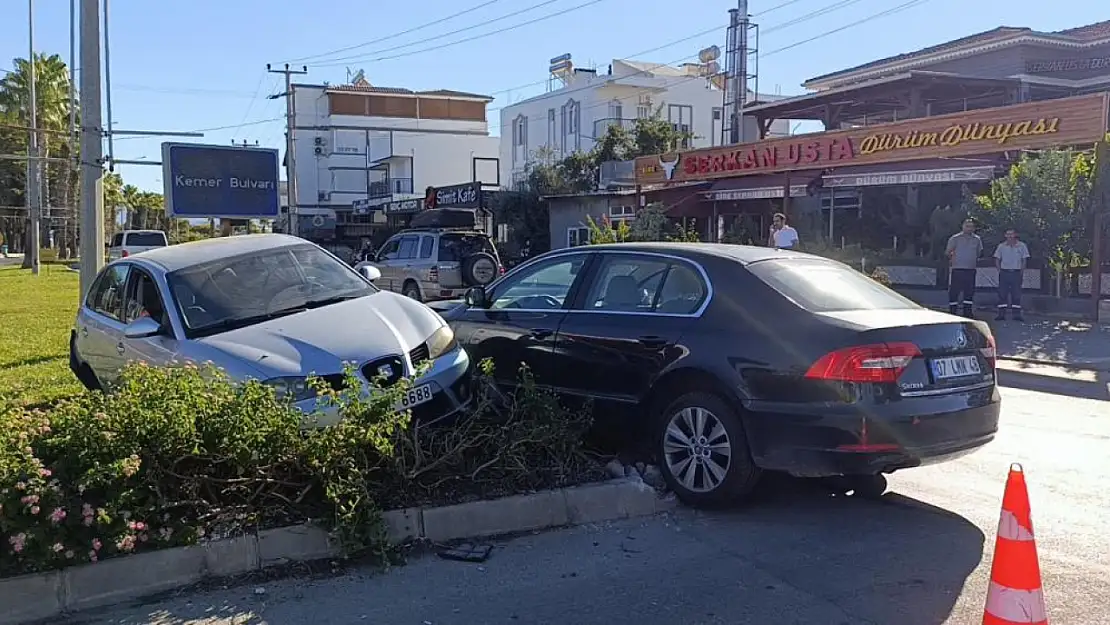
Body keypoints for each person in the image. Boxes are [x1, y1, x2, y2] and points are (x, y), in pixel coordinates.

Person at [945, 218, 984, 318]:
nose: (969, 228)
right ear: (962, 226)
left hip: (971, 269)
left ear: (974, 228)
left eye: (971, 227)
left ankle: (968, 312)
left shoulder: (977, 239)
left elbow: (979, 253)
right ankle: (953, 311)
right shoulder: (955, 238)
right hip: (957, 268)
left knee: (969, 291)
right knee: (954, 291)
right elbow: (948, 252)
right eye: (967, 226)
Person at [993, 228, 1030, 321]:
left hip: (1016, 272)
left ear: (1015, 235)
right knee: (1002, 294)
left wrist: (1022, 271)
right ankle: (1001, 314)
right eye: (1008, 234)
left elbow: (1024, 259)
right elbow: (997, 259)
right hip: (1004, 272)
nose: (1009, 236)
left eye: (1011, 234)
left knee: (1016, 294)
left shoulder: (1021, 246)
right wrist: (999, 270)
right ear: (1005, 235)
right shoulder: (1001, 246)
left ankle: (1016, 315)